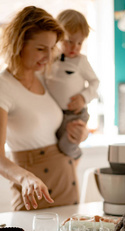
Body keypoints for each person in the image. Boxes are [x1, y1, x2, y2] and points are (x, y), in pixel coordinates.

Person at [0, 6, 88, 211]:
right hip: (34, 191)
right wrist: (26, 178)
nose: (49, 57)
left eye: (52, 48)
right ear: (19, 44)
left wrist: (80, 134)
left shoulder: (44, 77)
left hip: (67, 183)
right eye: (41, 49)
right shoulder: (4, 86)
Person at [45, 9, 99, 160]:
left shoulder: (81, 61)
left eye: (79, 43)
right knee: (54, 148)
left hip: (75, 114)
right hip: (56, 115)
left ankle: (76, 158)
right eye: (69, 41)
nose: (74, 47)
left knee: (67, 147)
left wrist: (84, 97)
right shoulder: (51, 59)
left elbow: (95, 82)